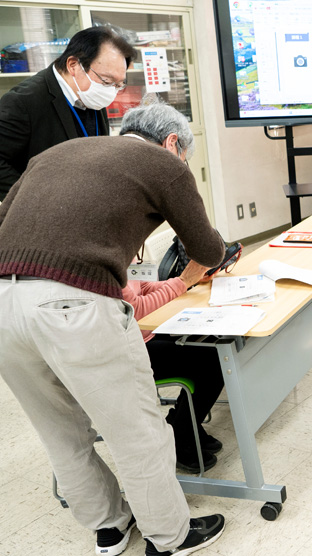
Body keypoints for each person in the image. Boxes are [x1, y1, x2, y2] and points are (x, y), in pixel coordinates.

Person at [0, 99, 226, 556]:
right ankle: (170, 537)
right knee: (137, 432)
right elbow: (209, 248)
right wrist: (190, 277)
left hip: (3, 302)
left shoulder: (58, 152)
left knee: (60, 431)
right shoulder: (163, 164)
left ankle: (109, 528)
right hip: (74, 307)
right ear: (171, 143)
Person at [0, 26, 135, 200]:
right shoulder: (24, 101)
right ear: (73, 65)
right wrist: (33, 198)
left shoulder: (92, 94)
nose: (111, 91)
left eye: (119, 84)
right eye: (107, 81)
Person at [123, 260, 226, 474]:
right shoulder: (107, 262)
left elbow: (143, 288)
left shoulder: (123, 251)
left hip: (144, 335)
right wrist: (182, 282)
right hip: (126, 354)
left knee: (206, 340)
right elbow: (136, 310)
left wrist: (187, 282)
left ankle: (183, 423)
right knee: (213, 362)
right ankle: (180, 438)